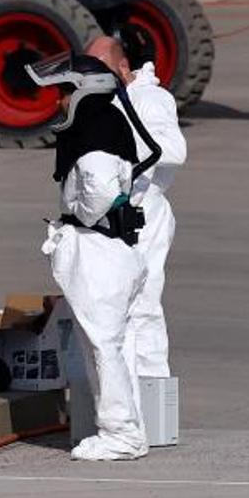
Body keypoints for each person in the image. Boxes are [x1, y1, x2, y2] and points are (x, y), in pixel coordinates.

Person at [27, 52, 159, 460]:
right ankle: (129, 428)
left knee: (104, 344)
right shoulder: (107, 122)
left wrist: (81, 217)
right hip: (116, 250)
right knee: (114, 343)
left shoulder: (94, 130)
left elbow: (99, 190)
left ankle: (121, 434)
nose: (59, 102)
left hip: (100, 249)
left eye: (64, 93)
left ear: (83, 92)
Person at [85, 36, 186, 379]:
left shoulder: (150, 99)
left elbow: (173, 150)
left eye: (102, 69)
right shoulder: (108, 101)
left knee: (143, 309)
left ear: (123, 68)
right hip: (116, 216)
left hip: (147, 215)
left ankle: (152, 404)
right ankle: (127, 405)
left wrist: (120, 146)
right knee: (115, 311)